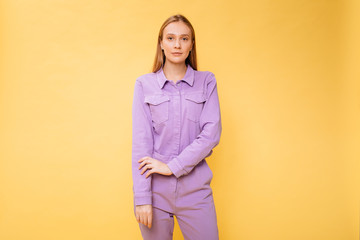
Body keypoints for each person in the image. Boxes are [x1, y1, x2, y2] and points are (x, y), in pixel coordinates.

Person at [131, 14, 222, 240]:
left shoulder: (207, 81)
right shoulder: (144, 84)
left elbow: (211, 134)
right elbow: (141, 144)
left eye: (184, 39)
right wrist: (142, 198)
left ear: (191, 45)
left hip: (196, 191)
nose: (177, 45)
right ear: (161, 43)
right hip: (156, 194)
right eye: (170, 38)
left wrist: (172, 166)